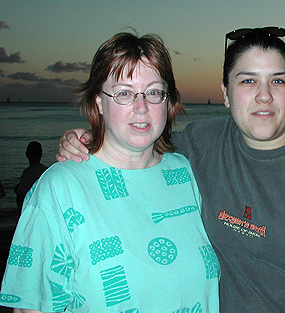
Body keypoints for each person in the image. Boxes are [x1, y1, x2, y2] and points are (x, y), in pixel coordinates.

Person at [55, 27, 285, 312]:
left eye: (278, 80)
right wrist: (90, 138)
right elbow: (142, 140)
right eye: (248, 81)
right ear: (226, 92)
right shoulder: (203, 142)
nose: (264, 95)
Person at [0, 32, 219, 312]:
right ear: (99, 103)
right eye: (124, 93)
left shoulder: (186, 174)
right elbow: (33, 306)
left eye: (153, 92)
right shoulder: (60, 188)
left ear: (168, 101)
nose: (141, 107)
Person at [14, 141, 48, 216]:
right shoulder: (46, 171)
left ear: (27, 154)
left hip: (31, 212)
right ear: (41, 154)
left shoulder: (27, 173)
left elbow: (21, 196)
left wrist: (20, 214)